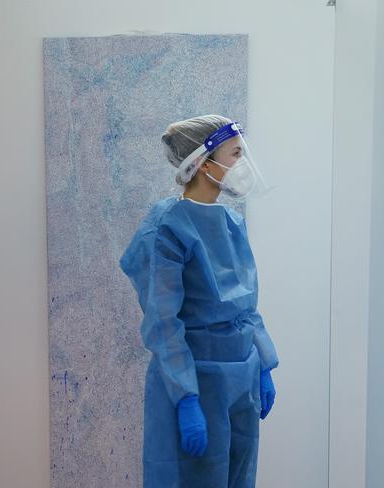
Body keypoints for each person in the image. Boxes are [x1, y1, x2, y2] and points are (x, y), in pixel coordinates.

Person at [119, 114, 279, 488]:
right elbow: (163, 321)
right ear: (205, 163)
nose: (243, 163)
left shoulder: (231, 222)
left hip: (241, 377)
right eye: (235, 154)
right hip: (195, 380)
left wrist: (264, 363)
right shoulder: (167, 228)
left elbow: (246, 308)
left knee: (238, 475)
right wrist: (187, 398)